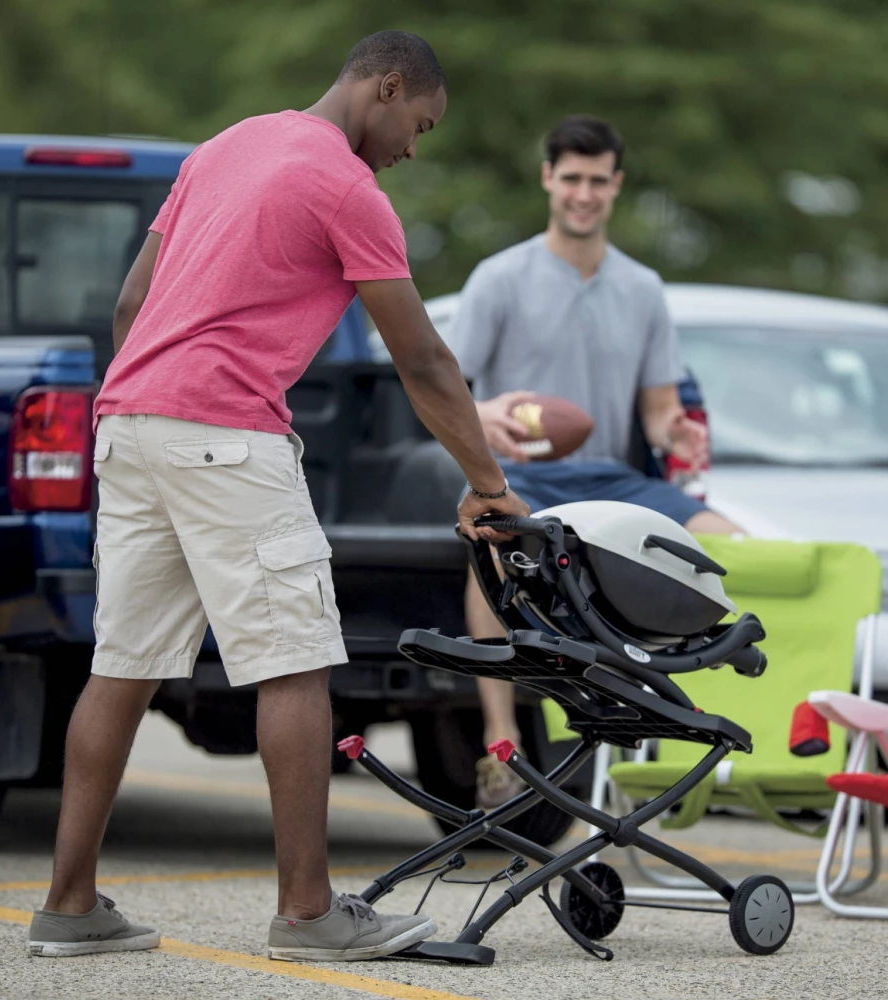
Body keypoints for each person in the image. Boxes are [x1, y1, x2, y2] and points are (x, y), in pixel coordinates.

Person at [26, 30, 529, 963]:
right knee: (294, 664)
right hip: (227, 437)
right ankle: (307, 914)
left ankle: (69, 903)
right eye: (419, 126)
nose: (411, 149)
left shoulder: (223, 146)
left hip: (129, 423)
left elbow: (133, 304)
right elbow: (422, 359)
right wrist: (489, 486)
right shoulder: (348, 188)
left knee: (122, 665)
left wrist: (156, 400)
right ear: (387, 88)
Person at [445, 116, 744, 809]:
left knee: (731, 545)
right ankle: (500, 743)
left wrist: (677, 434)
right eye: (572, 178)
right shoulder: (500, 278)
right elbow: (449, 388)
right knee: (492, 548)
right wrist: (483, 417)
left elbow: (660, 410)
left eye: (597, 181)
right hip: (525, 475)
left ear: (617, 185)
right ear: (548, 179)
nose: (584, 193)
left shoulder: (643, 287)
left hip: (613, 480)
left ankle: (691, 731)